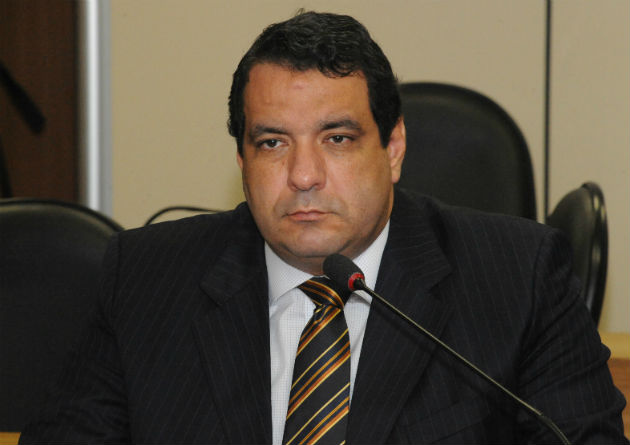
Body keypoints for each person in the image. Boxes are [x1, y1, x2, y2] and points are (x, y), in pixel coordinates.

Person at [20, 11, 626, 444]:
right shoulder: (144, 279)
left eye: (337, 139)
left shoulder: (519, 278)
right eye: (272, 142)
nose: (303, 175)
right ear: (242, 161)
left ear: (393, 148)